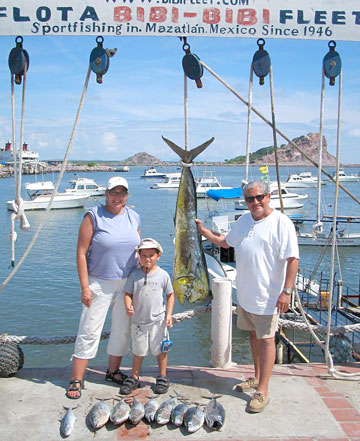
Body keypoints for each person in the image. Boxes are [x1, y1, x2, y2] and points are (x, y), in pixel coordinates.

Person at [195, 180, 299, 413]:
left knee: (267, 340)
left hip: (268, 297)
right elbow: (225, 242)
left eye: (259, 197)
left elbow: (293, 259)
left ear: (268, 196)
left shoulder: (282, 222)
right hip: (245, 295)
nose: (255, 202)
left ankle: (262, 390)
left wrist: (287, 291)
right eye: (250, 199)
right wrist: (204, 232)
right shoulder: (243, 221)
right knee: (253, 337)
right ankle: (256, 376)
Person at [66, 176, 141, 399]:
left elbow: (137, 249)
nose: (117, 197)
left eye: (122, 193)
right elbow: (81, 253)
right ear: (106, 194)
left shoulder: (134, 216)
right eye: (113, 192)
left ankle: (113, 371)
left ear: (127, 195)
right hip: (99, 282)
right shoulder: (93, 216)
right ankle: (77, 378)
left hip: (127, 283)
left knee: (122, 330)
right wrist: (85, 287)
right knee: (89, 329)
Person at [120, 238, 175, 395]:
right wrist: (128, 305)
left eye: (151, 255)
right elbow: (127, 294)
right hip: (138, 322)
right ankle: (135, 376)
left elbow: (170, 295)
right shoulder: (134, 275)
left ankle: (163, 376)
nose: (147, 259)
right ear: (139, 257)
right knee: (138, 351)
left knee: (161, 350)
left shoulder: (163, 275)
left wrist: (169, 315)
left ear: (158, 256)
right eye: (143, 255)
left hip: (158, 322)